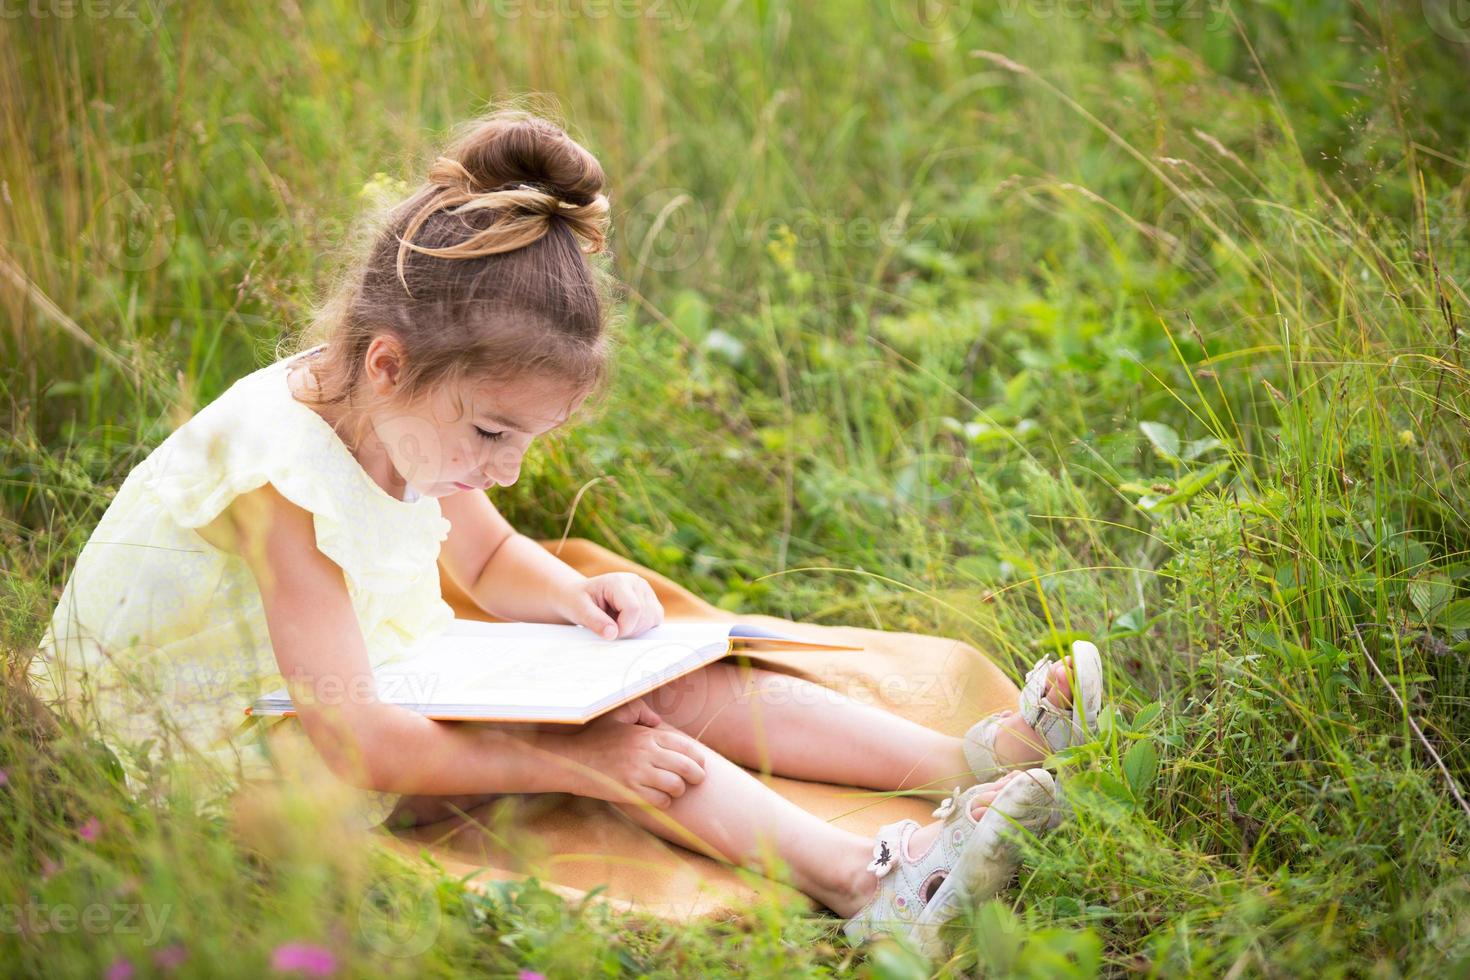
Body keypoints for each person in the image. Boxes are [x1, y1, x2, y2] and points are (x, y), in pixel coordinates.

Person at [27, 108, 1107, 955]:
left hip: (365, 681)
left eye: (525, 442)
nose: (500, 467)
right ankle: (875, 878)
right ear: (389, 362)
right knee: (605, 739)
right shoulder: (277, 475)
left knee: (637, 665)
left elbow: (487, 556)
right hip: (224, 758)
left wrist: (574, 601)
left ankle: (968, 754)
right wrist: (587, 762)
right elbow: (356, 737)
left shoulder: (402, 414)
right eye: (493, 432)